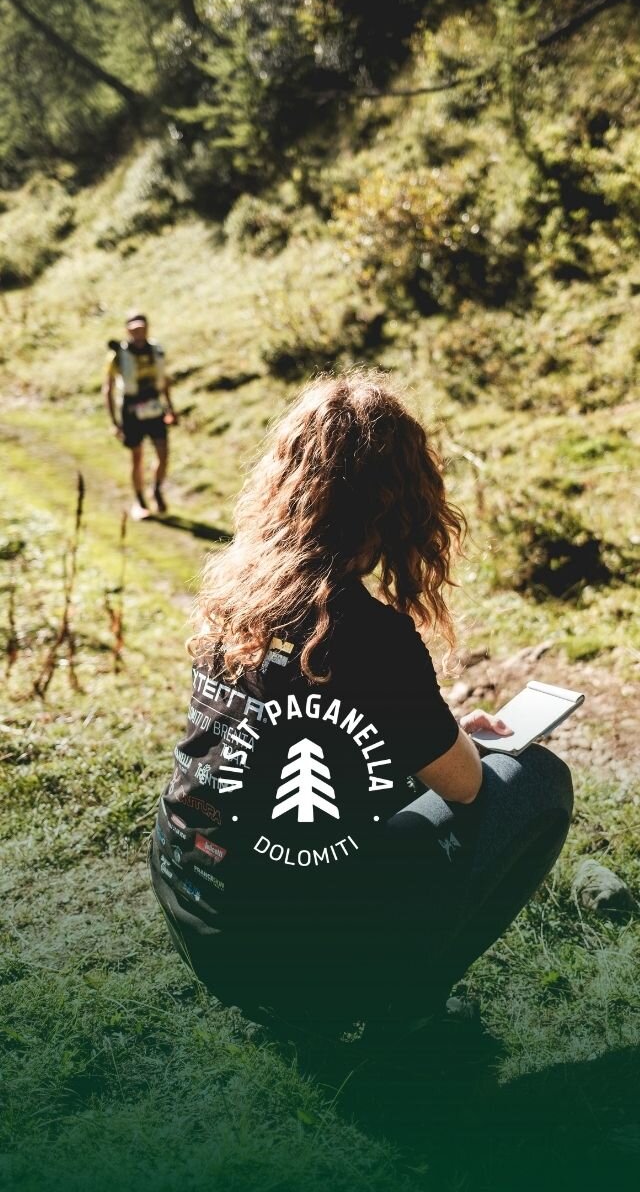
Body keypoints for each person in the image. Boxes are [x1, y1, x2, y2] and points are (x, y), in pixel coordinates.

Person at [148, 371, 572, 1042]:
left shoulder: (234, 593)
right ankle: (405, 995)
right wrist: (470, 748)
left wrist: (443, 732)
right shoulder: (368, 632)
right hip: (280, 950)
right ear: (398, 502)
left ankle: (313, 990)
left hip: (194, 903)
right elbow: (464, 787)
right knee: (538, 781)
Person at [104, 313, 177, 518]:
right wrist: (114, 422)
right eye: (134, 329)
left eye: (141, 328)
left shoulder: (156, 350)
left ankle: (156, 489)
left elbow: (164, 381)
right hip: (131, 409)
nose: (138, 333)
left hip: (154, 406)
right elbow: (107, 388)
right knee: (137, 457)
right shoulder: (118, 355)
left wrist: (170, 408)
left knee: (163, 453)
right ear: (127, 330)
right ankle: (140, 501)